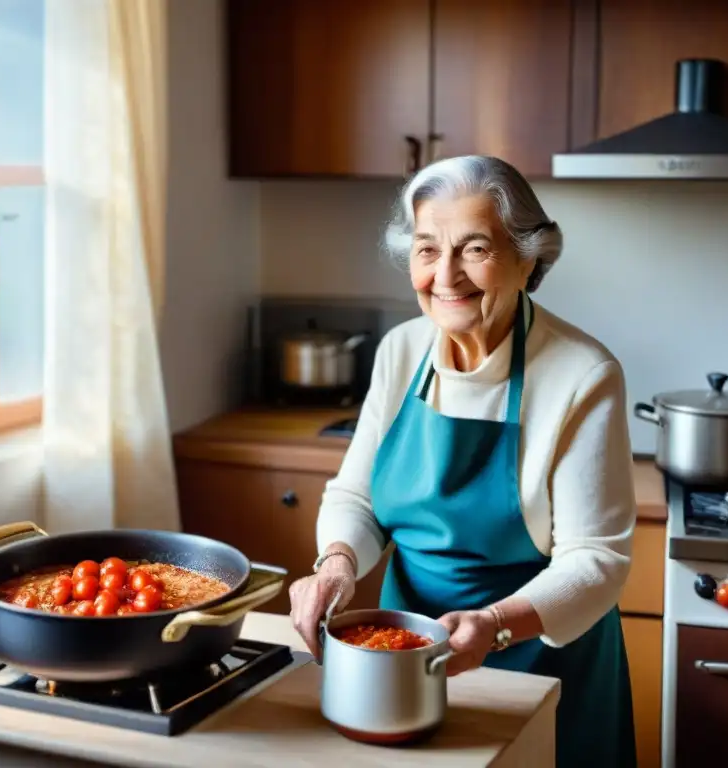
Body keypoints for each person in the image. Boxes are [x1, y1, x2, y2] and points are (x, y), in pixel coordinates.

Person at [289, 155, 637, 767]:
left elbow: (597, 559)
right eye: (427, 249)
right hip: (403, 657)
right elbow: (357, 498)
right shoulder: (401, 350)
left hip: (539, 661)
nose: (445, 275)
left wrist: (495, 625)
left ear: (528, 257)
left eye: (474, 248)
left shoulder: (584, 374)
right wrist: (336, 565)